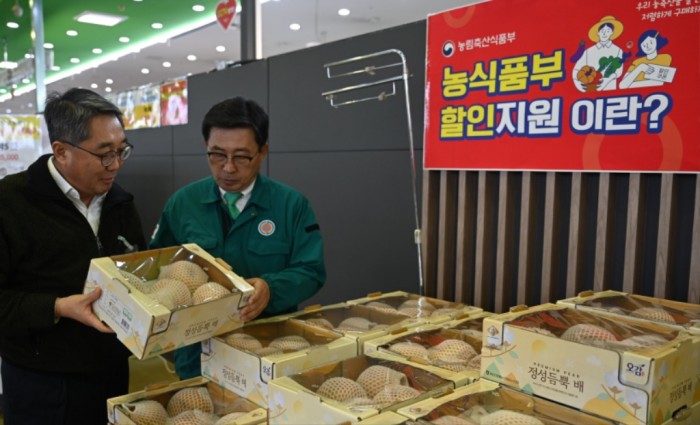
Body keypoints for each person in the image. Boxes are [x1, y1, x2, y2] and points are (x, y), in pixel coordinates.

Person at [149, 96, 326, 379]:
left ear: (263, 151)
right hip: (198, 351)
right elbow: (157, 267)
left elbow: (311, 270)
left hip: (269, 349)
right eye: (217, 155)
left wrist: (271, 288)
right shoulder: (182, 203)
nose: (228, 168)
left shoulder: (291, 205)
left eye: (241, 156)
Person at [0, 88, 146, 424]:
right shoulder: (10, 204)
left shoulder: (120, 203)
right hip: (40, 382)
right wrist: (58, 307)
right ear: (61, 151)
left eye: (122, 150)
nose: (116, 165)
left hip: (110, 372)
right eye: (104, 154)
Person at [572, 16, 625, 92]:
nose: (604, 33)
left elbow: (619, 71)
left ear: (612, 33)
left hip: (610, 89)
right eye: (602, 30)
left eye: (608, 31)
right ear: (598, 32)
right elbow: (577, 69)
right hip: (590, 89)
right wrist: (581, 88)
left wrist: (606, 80)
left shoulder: (618, 50)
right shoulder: (588, 51)